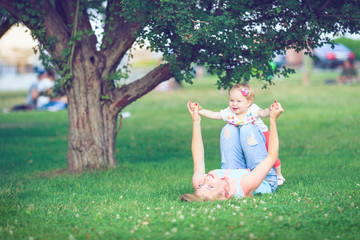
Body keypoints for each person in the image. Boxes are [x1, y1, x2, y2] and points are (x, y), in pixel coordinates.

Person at [181, 100, 284, 202]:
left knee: (229, 129)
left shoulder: (203, 182)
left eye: (200, 186)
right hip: (264, 179)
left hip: (236, 172)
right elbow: (272, 157)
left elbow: (198, 156)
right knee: (247, 129)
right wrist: (273, 119)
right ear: (223, 193)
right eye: (210, 186)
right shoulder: (245, 184)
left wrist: (196, 121)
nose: (206, 180)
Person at [194, 83, 285, 185]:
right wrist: (200, 111)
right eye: (231, 100)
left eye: (238, 101)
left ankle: (278, 175)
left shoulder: (252, 110)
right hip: (244, 137)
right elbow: (215, 115)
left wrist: (271, 110)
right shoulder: (230, 112)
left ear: (248, 102)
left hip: (262, 135)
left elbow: (263, 113)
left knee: (272, 155)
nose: (234, 104)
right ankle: (243, 173)